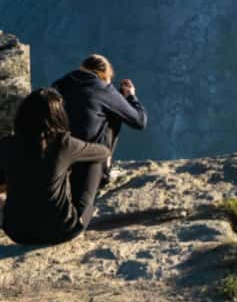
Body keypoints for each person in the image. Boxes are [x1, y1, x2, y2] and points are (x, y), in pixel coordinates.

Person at [0, 88, 112, 246]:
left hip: (17, 233)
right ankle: (86, 209)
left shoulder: (6, 144)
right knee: (94, 160)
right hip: (64, 231)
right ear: (58, 115)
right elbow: (104, 152)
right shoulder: (63, 143)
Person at [53, 54, 146, 220]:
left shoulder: (60, 83)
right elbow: (139, 121)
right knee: (114, 114)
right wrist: (131, 96)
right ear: (104, 74)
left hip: (59, 152)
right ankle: (105, 169)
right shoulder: (103, 88)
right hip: (91, 154)